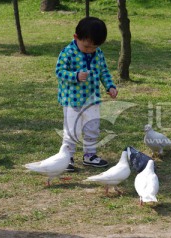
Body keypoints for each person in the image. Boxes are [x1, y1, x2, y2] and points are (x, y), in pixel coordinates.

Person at [55, 17, 118, 172]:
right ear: (76, 37)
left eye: (94, 47)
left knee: (92, 128)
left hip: (92, 100)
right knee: (72, 131)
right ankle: (67, 158)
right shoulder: (68, 53)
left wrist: (110, 86)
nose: (91, 50)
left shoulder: (98, 54)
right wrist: (75, 76)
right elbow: (59, 72)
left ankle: (90, 155)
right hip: (73, 100)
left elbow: (104, 71)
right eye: (87, 46)